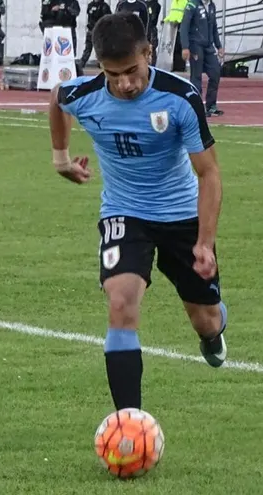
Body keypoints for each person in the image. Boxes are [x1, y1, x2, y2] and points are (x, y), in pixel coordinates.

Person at [47, 12, 227, 412]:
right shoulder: (86, 94)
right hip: (124, 212)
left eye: (131, 70)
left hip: (181, 215)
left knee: (206, 320)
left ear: (149, 52)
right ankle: (128, 422)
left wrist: (205, 243)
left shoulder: (180, 98)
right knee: (120, 303)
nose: (124, 83)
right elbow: (58, 99)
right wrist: (60, 157)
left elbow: (209, 173)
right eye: (113, 75)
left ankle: (214, 331)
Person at [180, 0, 224, 116]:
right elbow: (184, 27)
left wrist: (219, 46)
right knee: (196, 76)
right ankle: (197, 106)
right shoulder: (192, 4)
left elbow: (214, 27)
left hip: (209, 46)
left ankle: (211, 106)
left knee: (215, 73)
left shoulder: (211, 5)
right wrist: (185, 47)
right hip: (195, 45)